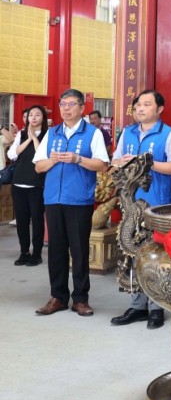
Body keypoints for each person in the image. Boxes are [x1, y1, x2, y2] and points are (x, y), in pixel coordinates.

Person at [110, 90, 171, 330]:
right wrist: (122, 163)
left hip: (157, 204)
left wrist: (148, 162)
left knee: (155, 255)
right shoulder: (128, 132)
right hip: (130, 203)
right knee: (132, 253)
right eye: (137, 105)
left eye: (146, 104)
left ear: (159, 109)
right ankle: (137, 306)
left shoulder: (169, 134)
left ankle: (156, 307)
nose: (140, 109)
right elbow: (115, 162)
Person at [32, 89, 110, 317]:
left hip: (79, 199)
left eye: (71, 104)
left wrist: (77, 159)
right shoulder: (53, 133)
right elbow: (38, 167)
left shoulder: (93, 133)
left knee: (79, 249)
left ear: (82, 108)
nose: (66, 108)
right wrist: (51, 160)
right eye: (63, 104)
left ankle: (80, 299)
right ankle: (57, 297)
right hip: (53, 199)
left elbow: (102, 165)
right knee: (55, 250)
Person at [8, 105, 48, 267]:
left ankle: (36, 254)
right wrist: (29, 139)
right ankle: (24, 252)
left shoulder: (48, 135)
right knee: (22, 221)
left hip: (36, 184)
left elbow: (42, 157)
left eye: (37, 115)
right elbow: (12, 154)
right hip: (18, 183)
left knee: (37, 221)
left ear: (43, 118)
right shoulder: (22, 135)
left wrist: (36, 139)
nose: (33, 117)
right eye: (30, 114)